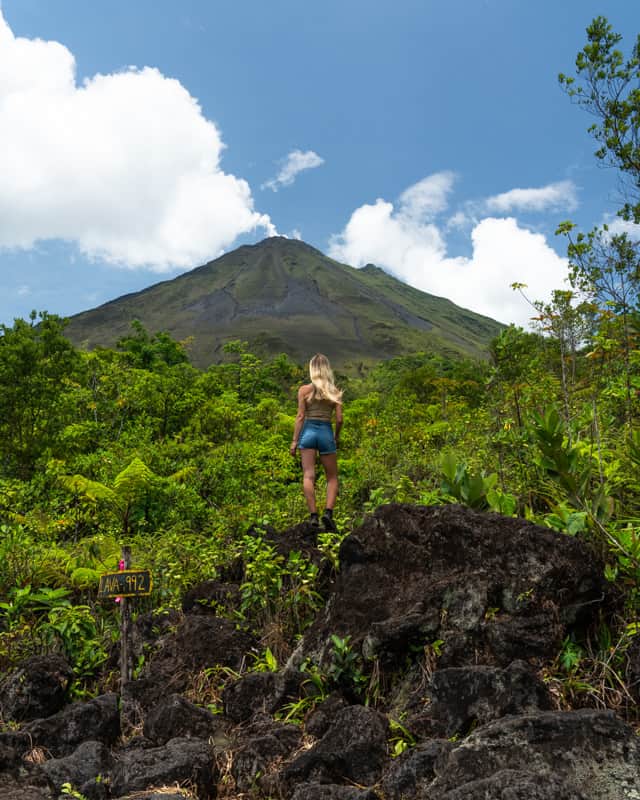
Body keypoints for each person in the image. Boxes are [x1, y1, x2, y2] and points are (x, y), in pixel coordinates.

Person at [290, 353, 343, 531]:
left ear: (312, 369)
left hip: (308, 433)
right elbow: (340, 420)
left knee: (308, 476)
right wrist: (336, 437)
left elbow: (300, 416)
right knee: (332, 477)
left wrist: (294, 441)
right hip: (326, 432)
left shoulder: (304, 390)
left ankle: (313, 516)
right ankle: (328, 513)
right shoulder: (335, 392)